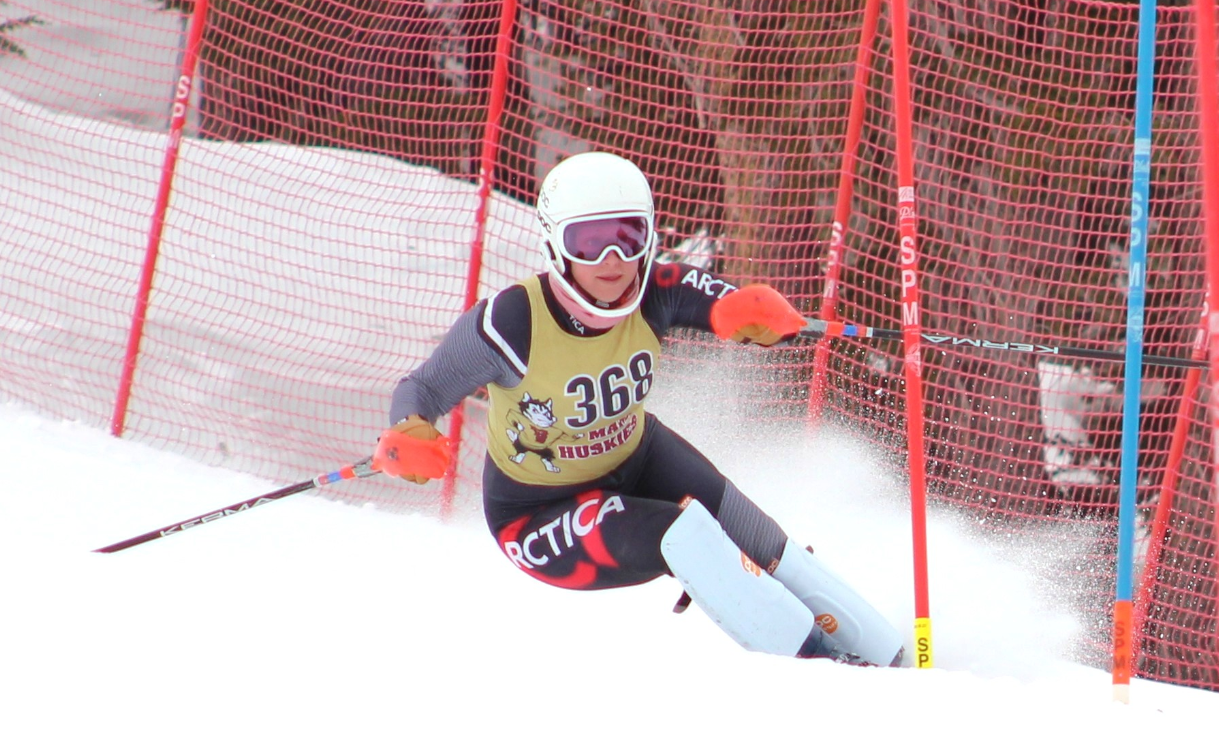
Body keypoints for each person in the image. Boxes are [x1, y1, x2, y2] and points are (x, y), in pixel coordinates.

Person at [370, 150, 903, 667]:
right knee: (688, 538)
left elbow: (731, 304)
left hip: (638, 456)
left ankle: (887, 654)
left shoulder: (657, 292)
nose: (613, 260)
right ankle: (827, 675)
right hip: (536, 514)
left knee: (757, 539)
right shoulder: (510, 324)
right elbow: (424, 389)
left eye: (627, 237)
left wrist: (758, 314)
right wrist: (409, 431)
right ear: (555, 245)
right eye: (590, 242)